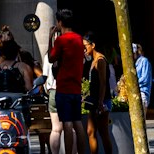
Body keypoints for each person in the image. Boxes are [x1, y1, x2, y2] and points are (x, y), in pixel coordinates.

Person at [48, 12, 86, 154]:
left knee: (67, 124)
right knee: (77, 122)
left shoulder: (61, 40)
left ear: (60, 22)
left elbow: (51, 58)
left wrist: (50, 37)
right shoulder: (79, 39)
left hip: (64, 87)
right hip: (76, 87)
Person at [82, 33, 112, 154]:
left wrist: (100, 102)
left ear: (93, 45)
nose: (84, 49)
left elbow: (103, 83)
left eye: (85, 46)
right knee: (91, 131)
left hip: (102, 100)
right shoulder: (93, 60)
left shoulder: (100, 60)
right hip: (93, 99)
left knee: (103, 132)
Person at [131, 44, 152, 112]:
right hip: (133, 92)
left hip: (142, 92)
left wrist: (132, 83)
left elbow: (145, 79)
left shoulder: (144, 61)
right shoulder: (133, 63)